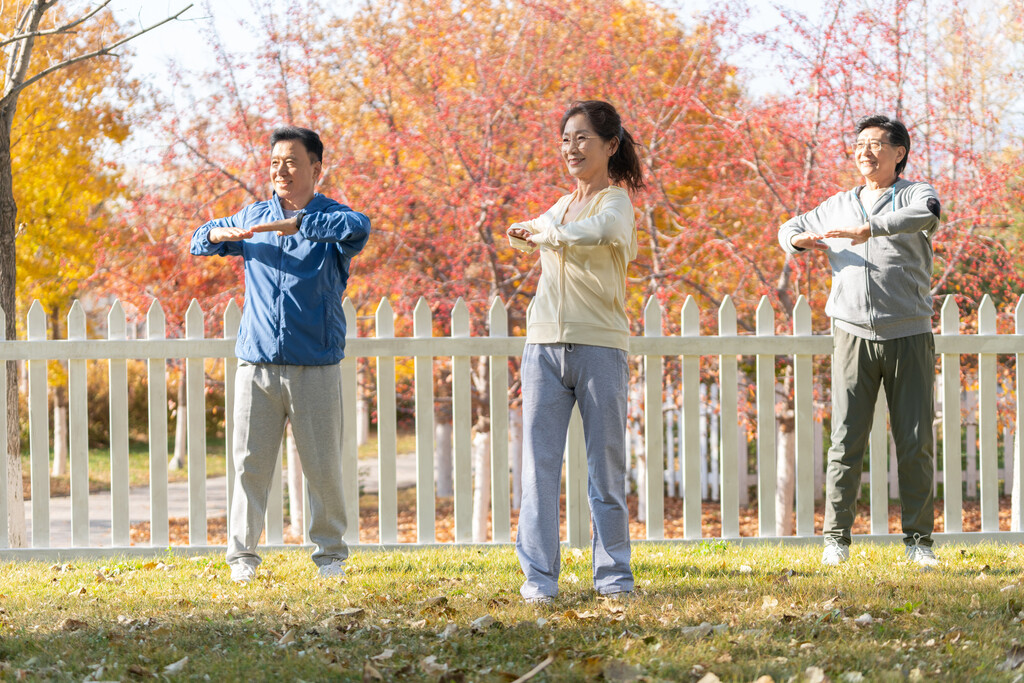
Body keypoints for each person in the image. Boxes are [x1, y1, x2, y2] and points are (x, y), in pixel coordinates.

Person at [190, 126, 370, 583]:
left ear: (316, 167)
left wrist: (297, 223)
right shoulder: (252, 216)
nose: (281, 171)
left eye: (291, 161)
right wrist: (218, 231)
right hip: (257, 365)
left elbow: (359, 227)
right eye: (274, 163)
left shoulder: (332, 218)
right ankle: (242, 559)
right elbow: (200, 240)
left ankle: (331, 557)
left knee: (323, 469)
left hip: (316, 365)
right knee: (249, 465)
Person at [778, 114, 941, 568]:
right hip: (850, 334)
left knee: (914, 441)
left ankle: (919, 543)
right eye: (859, 144)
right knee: (846, 440)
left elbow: (926, 214)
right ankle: (836, 541)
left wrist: (869, 229)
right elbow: (787, 228)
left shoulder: (914, 194)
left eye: (875, 144)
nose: (864, 152)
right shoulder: (838, 203)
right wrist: (800, 241)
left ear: (899, 153)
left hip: (908, 333)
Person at [508, 100, 645, 603]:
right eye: (566, 138)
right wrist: (529, 230)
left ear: (610, 145)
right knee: (538, 470)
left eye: (583, 137)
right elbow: (537, 231)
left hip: (599, 347)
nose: (571, 147)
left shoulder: (615, 203)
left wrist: (551, 235)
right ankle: (538, 579)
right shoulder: (561, 205)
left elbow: (602, 233)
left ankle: (614, 579)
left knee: (604, 468)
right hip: (542, 347)